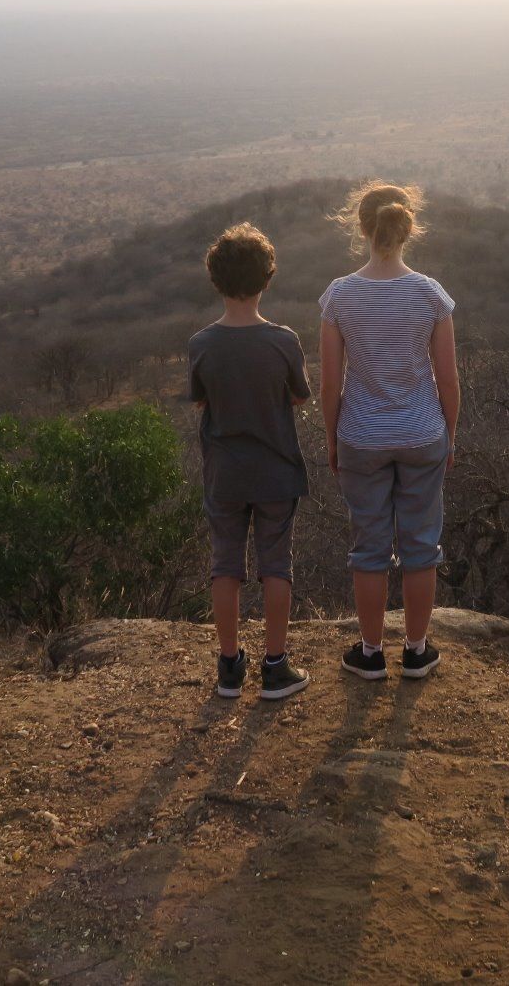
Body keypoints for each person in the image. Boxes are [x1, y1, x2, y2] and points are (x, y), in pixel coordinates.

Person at [318, 181, 459, 681]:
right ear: (407, 227)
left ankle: (371, 652)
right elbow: (448, 378)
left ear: (361, 228)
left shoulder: (339, 296)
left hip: (361, 434)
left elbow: (330, 382)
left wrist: (332, 439)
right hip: (423, 432)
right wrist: (450, 434)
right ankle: (417, 651)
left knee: (369, 547)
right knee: (422, 545)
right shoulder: (430, 294)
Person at [188, 222, 312, 700]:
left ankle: (228, 667)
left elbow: (201, 401)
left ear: (216, 280)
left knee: (226, 565)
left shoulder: (201, 344)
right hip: (277, 468)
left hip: (225, 472)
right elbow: (300, 397)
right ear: (267, 278)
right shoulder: (283, 341)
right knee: (276, 565)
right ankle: (276, 667)